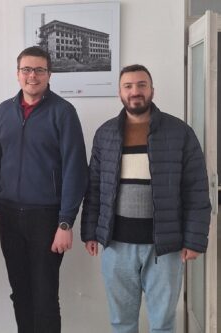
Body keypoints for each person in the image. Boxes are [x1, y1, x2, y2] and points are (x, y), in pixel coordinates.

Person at [81, 64, 211, 333]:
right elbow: (94, 188)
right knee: (121, 323)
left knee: (163, 324)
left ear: (152, 90)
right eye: (128, 86)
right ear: (119, 92)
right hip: (116, 246)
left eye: (141, 85)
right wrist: (90, 232)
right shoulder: (105, 134)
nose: (135, 92)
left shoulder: (180, 133)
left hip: (165, 248)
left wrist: (194, 240)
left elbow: (196, 189)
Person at [0, 46, 88, 333]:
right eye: (26, 70)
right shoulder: (3, 111)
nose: (32, 76)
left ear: (49, 74)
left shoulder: (63, 112)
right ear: (17, 73)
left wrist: (65, 221)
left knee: (45, 296)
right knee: (20, 292)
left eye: (39, 70)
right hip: (9, 215)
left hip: (47, 218)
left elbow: (76, 169)